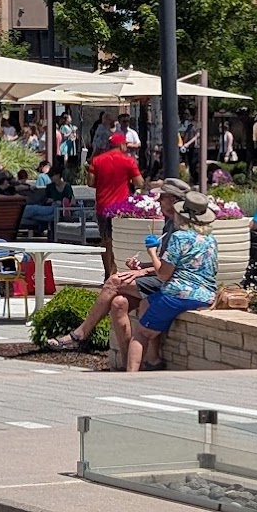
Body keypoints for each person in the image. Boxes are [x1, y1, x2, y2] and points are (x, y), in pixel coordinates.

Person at [47, 177, 190, 352]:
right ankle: (125, 363)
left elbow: (173, 268)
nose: (158, 201)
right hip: (162, 277)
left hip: (174, 282)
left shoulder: (182, 228)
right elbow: (164, 263)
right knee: (118, 304)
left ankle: (80, 334)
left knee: (114, 281)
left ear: (174, 200)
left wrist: (144, 269)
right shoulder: (169, 222)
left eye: (162, 198)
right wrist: (142, 266)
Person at [126, 190, 219, 372]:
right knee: (145, 303)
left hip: (178, 294)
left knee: (141, 334)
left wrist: (152, 253)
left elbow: (163, 274)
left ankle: (130, 376)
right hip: (205, 296)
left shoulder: (179, 238)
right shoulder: (211, 240)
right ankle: (153, 360)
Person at [90, 129, 143, 277]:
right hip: (121, 208)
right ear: (121, 145)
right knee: (119, 240)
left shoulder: (97, 160)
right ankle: (117, 272)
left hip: (102, 205)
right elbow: (139, 182)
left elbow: (90, 182)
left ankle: (108, 273)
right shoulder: (128, 161)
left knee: (106, 240)